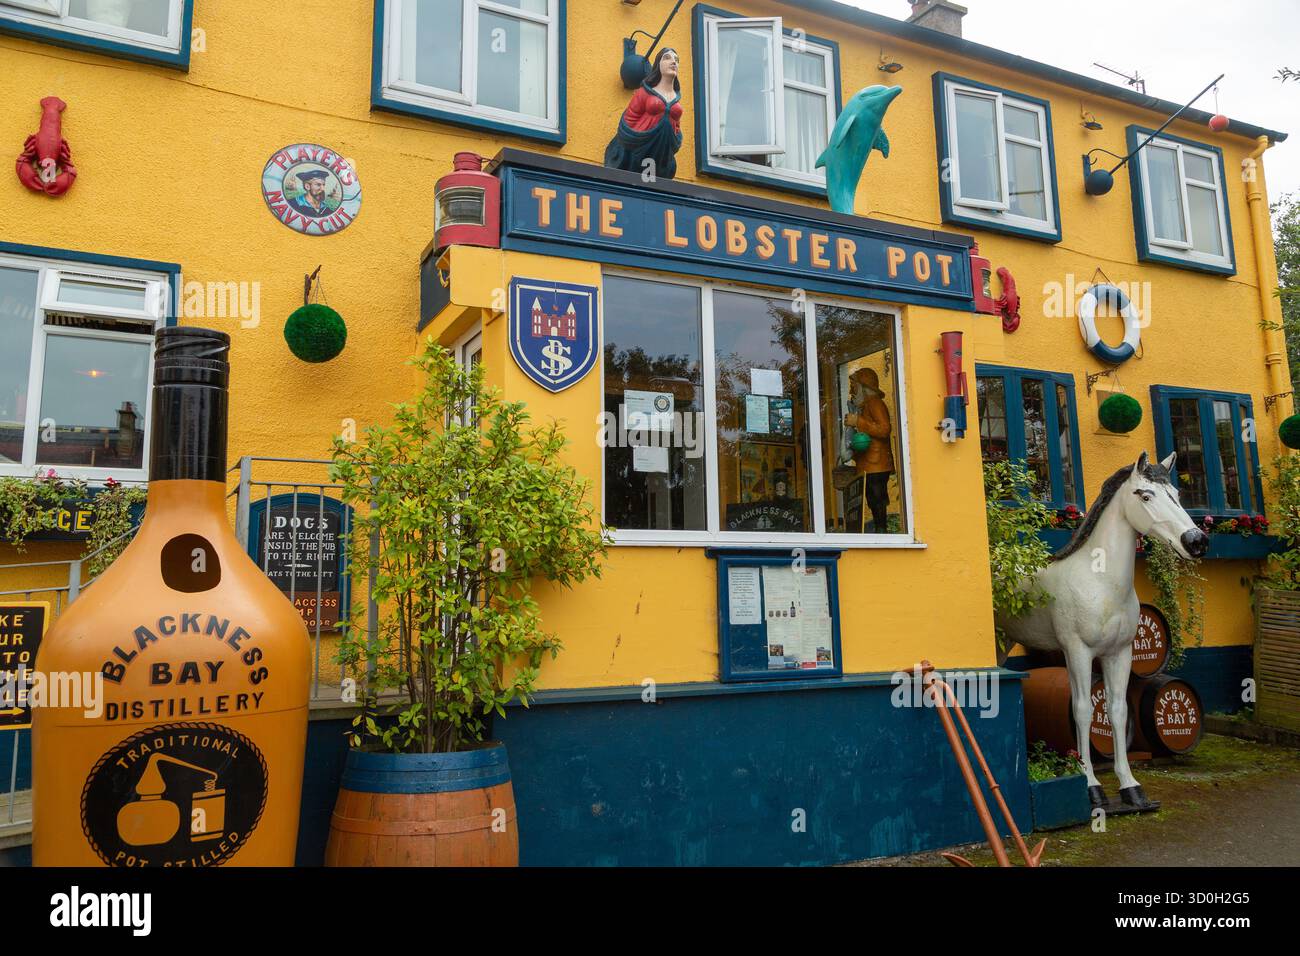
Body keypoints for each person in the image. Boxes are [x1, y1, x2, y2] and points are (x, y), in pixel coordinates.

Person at [604, 48, 684, 180]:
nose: (673, 62)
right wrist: (633, 138)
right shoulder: (645, 92)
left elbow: (676, 126)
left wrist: (675, 139)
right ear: (658, 64)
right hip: (640, 144)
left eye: (676, 60)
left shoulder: (676, 97)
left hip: (662, 151)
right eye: (667, 58)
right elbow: (630, 118)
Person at [844, 367, 894, 533]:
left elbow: (884, 429)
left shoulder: (874, 404)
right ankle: (880, 529)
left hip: (877, 463)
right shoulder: (865, 406)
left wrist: (858, 421)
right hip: (869, 462)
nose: (852, 390)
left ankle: (881, 530)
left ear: (864, 388)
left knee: (876, 496)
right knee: (872, 498)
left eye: (854, 386)